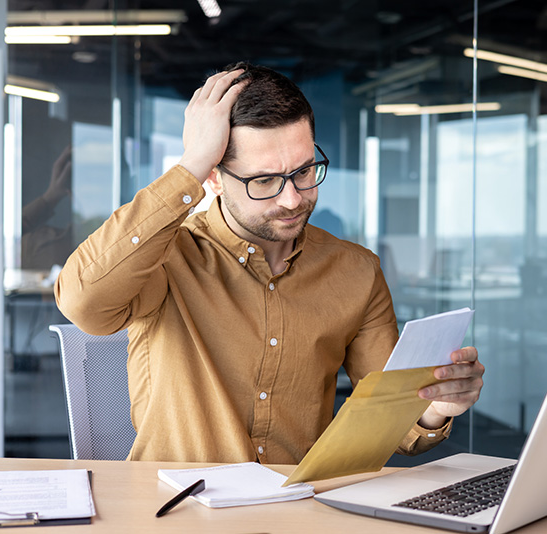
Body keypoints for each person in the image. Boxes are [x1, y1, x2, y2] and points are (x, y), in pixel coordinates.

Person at [55, 63, 485, 464]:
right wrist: (188, 166)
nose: (292, 198)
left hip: (298, 511)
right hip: (179, 511)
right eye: (263, 181)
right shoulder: (164, 257)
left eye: (303, 171)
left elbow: (394, 414)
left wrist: (435, 407)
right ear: (214, 178)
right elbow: (83, 304)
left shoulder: (356, 272)